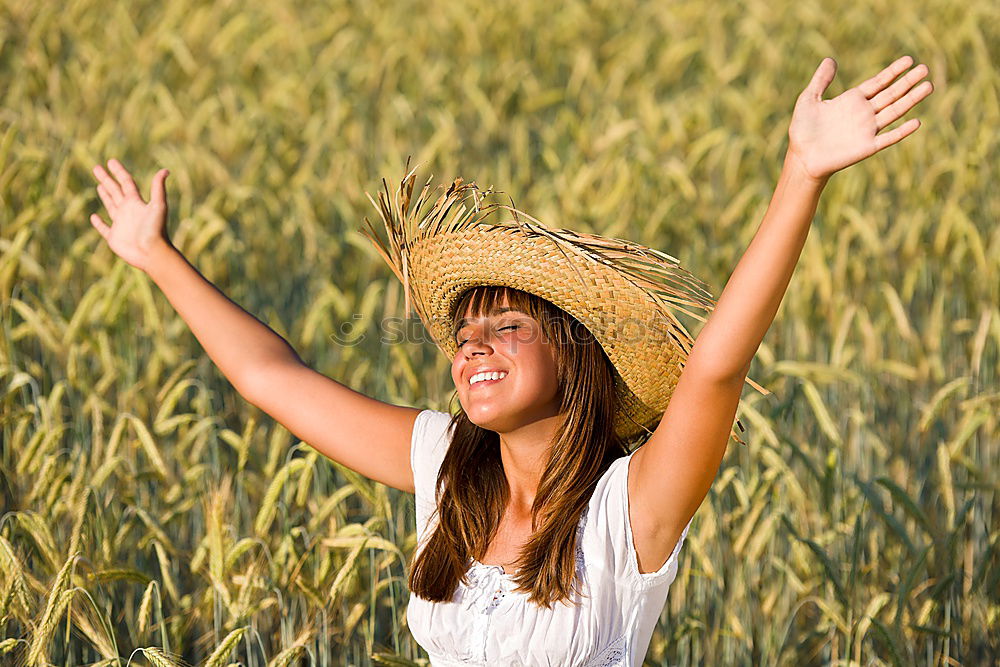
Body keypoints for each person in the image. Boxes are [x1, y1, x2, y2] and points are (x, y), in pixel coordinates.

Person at [88, 55, 932, 666]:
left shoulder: (628, 511)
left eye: (507, 326)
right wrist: (156, 255)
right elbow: (273, 379)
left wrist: (802, 174)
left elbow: (713, 367)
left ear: (575, 350)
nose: (472, 346)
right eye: (462, 334)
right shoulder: (444, 466)